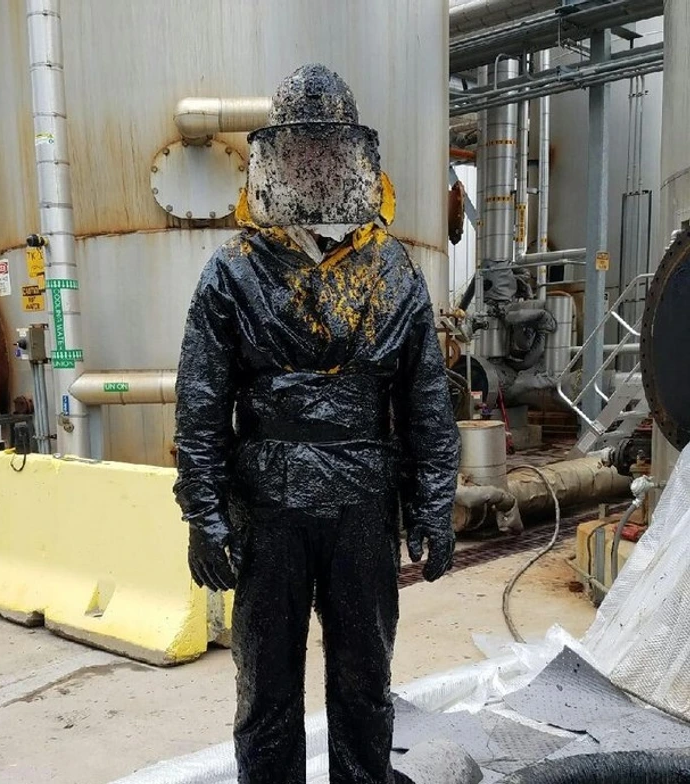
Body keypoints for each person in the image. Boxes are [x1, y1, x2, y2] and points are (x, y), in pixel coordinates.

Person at [174, 63, 460, 784]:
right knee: (266, 683)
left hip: (362, 506)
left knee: (364, 678)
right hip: (268, 510)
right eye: (301, 150)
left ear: (352, 157)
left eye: (327, 150)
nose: (315, 164)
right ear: (276, 159)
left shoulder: (391, 270)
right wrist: (204, 515)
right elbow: (202, 403)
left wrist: (434, 503)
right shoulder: (234, 271)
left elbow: (426, 400)